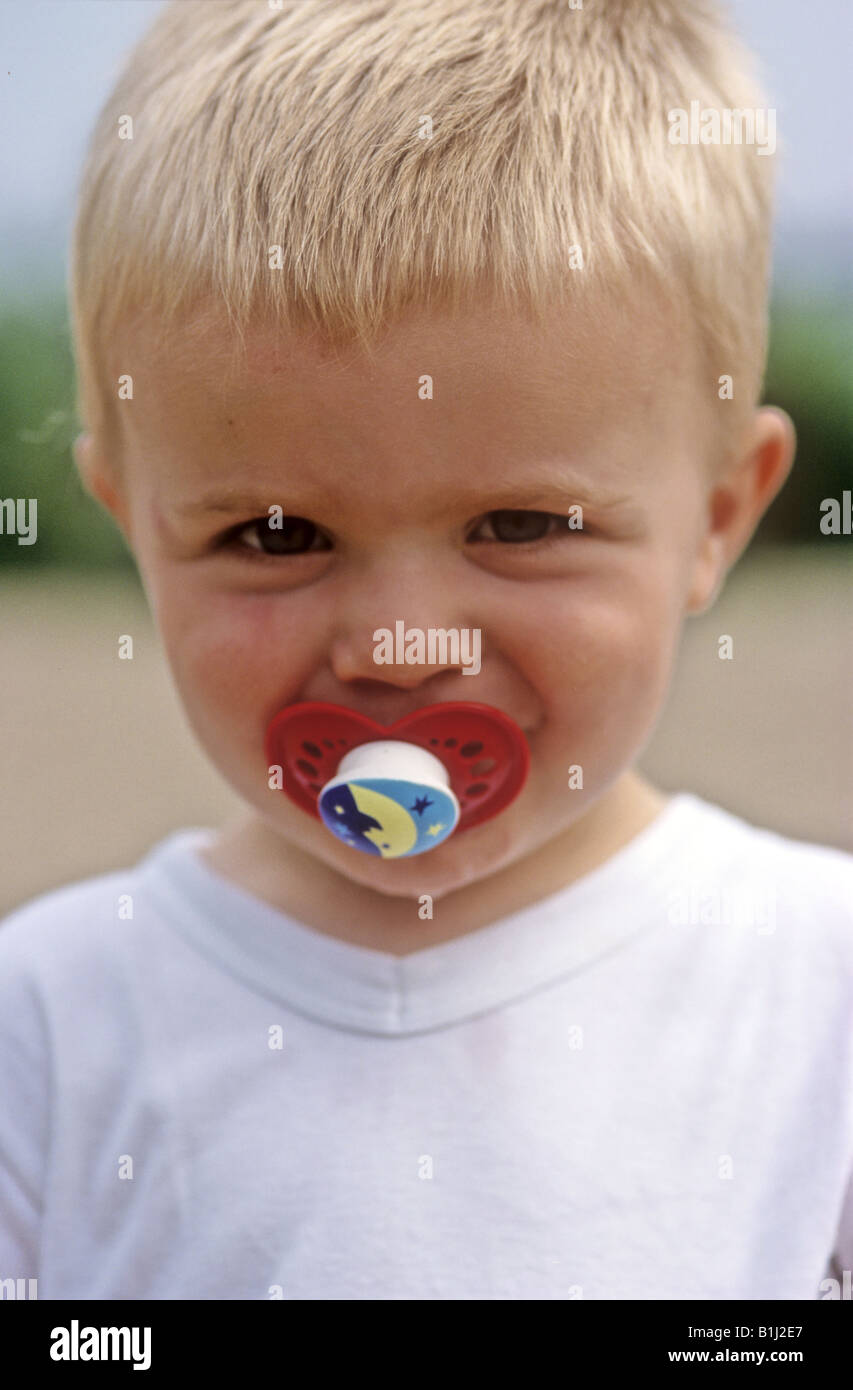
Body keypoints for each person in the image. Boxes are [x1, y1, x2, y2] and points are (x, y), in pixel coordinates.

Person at [1, 0, 850, 1300]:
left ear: (720, 514)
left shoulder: (815, 994)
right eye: (274, 534)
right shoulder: (48, 1028)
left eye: (519, 525)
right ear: (133, 526)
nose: (399, 649)